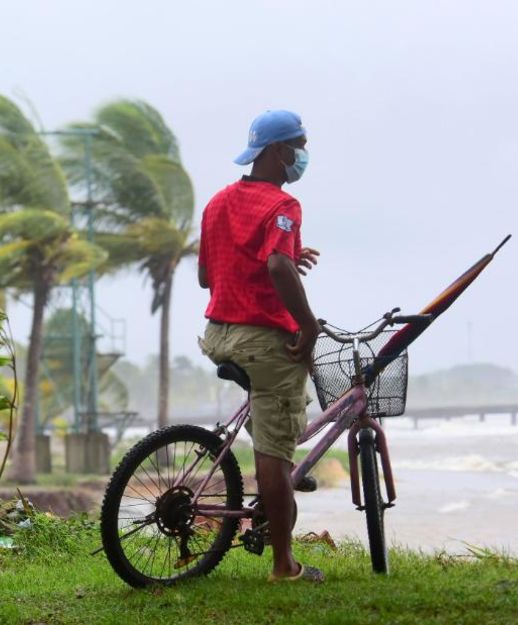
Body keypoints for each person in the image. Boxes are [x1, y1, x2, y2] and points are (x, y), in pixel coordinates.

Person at [197, 109, 324, 583]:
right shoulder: (283, 205)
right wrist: (307, 325)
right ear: (278, 151)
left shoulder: (217, 203)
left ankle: (270, 500)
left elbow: (208, 275)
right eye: (300, 145)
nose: (303, 156)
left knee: (270, 421)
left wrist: (291, 258)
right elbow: (275, 265)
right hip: (263, 339)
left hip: (220, 334)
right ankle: (283, 565)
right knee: (274, 448)